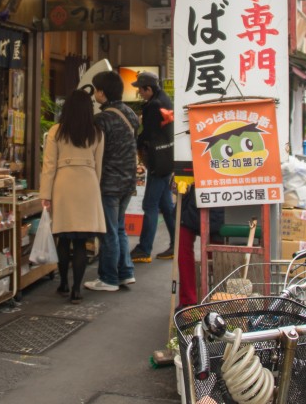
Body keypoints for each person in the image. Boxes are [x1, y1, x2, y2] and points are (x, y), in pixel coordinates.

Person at [40, 88, 106, 304]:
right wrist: (94, 190)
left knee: (63, 237)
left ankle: (63, 284)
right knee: (80, 243)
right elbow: (98, 167)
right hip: (87, 185)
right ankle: (77, 290)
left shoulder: (56, 131)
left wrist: (45, 194)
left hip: (63, 185)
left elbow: (49, 166)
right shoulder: (96, 132)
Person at [84, 70, 140, 292]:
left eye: (96, 90)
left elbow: (93, 149)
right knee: (119, 228)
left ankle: (108, 278)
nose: (95, 94)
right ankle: (125, 273)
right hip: (128, 180)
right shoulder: (130, 113)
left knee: (108, 231)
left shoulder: (103, 119)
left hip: (109, 181)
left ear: (101, 93)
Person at [128, 72, 176, 264]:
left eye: (140, 89)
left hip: (158, 161)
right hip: (168, 158)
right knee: (166, 205)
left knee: (149, 205)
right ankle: (176, 244)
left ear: (148, 88)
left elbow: (146, 134)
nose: (140, 93)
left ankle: (144, 249)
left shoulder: (153, 106)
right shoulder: (165, 100)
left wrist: (136, 142)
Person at [176, 185, 225, 309]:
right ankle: (188, 301)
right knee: (182, 248)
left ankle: (219, 298)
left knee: (217, 255)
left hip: (221, 199)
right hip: (194, 199)